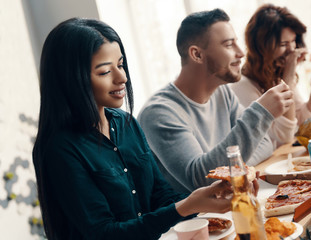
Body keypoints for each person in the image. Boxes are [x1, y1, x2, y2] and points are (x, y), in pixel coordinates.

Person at [32, 18, 234, 240]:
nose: (122, 78)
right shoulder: (60, 149)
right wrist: (185, 207)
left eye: (120, 65)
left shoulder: (126, 123)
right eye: (104, 72)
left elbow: (160, 195)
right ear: (72, 79)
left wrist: (205, 198)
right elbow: (105, 233)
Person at [137, 8, 294, 193]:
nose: (241, 53)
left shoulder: (223, 93)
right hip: (197, 220)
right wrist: (261, 112)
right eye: (229, 45)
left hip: (229, 205)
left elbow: (265, 144)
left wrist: (230, 169)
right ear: (197, 54)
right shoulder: (159, 113)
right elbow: (202, 179)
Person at [231, 4, 311, 148]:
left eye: (293, 41)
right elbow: (284, 137)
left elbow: (306, 123)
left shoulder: (275, 77)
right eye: (284, 44)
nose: (292, 50)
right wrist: (288, 80)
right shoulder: (243, 86)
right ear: (261, 47)